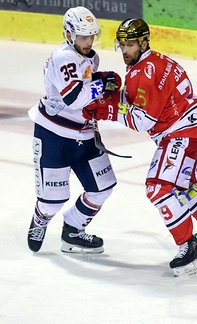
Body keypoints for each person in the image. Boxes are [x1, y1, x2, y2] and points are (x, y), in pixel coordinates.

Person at [83, 18, 197, 276]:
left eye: (130, 44)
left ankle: (188, 248)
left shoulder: (144, 72)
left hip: (182, 133)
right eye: (122, 44)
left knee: (158, 187)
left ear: (144, 42)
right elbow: (145, 102)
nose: (125, 50)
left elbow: (143, 121)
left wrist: (107, 109)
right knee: (185, 183)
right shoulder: (155, 62)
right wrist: (118, 96)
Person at [27, 6, 121, 254]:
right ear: (69, 34)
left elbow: (88, 87)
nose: (88, 41)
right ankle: (40, 218)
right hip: (54, 135)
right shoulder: (62, 58)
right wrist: (102, 83)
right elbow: (74, 98)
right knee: (52, 201)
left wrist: (101, 80)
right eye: (82, 36)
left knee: (103, 187)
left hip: (84, 133)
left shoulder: (90, 57)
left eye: (91, 36)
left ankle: (73, 230)